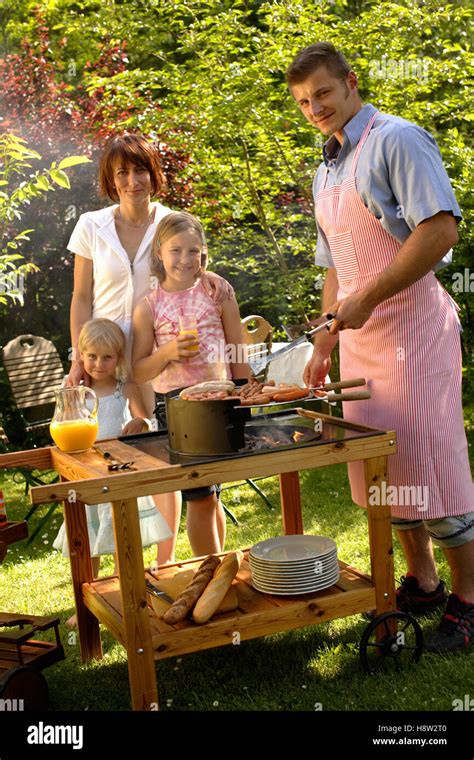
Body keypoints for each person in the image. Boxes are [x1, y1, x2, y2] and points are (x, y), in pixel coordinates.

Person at [286, 42, 474, 652]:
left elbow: (439, 231)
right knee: (382, 474)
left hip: (416, 333)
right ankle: (424, 584)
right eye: (304, 101)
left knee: (432, 468)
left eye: (323, 93)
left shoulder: (397, 139)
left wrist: (370, 298)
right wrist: (324, 340)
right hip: (361, 345)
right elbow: (337, 271)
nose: (315, 107)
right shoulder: (326, 167)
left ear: (350, 82)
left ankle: (469, 605)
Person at [65, 132, 230, 563]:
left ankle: (165, 566)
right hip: (104, 355)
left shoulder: (169, 220)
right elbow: (81, 297)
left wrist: (210, 278)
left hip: (159, 357)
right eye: (122, 172)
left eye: (140, 170)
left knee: (165, 463)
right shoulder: (91, 226)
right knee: (99, 462)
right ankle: (101, 575)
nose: (133, 180)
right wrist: (77, 359)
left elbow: (193, 258)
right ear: (111, 178)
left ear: (152, 174)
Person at [132, 211, 251, 556]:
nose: (184, 259)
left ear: (203, 253)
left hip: (220, 399)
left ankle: (217, 576)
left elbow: (237, 350)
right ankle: (211, 571)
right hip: (177, 405)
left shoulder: (219, 293)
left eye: (192, 251)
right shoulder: (149, 307)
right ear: (159, 252)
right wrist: (168, 350)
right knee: (199, 495)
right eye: (175, 250)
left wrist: (243, 392)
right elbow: (138, 371)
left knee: (213, 494)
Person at [54, 318, 173, 624]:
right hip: (86, 476)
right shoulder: (75, 393)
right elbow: (62, 428)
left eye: (107, 357)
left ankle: (127, 593)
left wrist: (139, 423)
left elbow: (142, 419)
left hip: (118, 476)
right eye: (91, 356)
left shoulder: (126, 388)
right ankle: (85, 604)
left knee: (124, 539)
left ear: (119, 358)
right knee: (85, 543)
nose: (98, 363)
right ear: (81, 355)